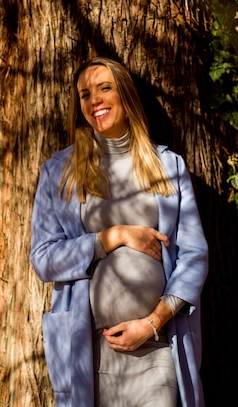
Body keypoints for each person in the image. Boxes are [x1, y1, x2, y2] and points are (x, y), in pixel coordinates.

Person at [30, 57, 208, 407]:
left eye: (104, 88)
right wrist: (111, 237)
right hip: (89, 354)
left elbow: (194, 254)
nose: (94, 100)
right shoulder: (59, 172)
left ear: (125, 95)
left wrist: (153, 323)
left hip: (157, 347)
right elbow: (43, 259)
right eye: (84, 94)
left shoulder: (168, 166)